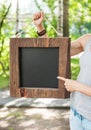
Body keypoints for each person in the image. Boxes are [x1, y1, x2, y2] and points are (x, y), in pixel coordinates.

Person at [33, 12, 91, 130]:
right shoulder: (88, 40)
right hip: (76, 113)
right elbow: (57, 51)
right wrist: (40, 27)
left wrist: (77, 86)